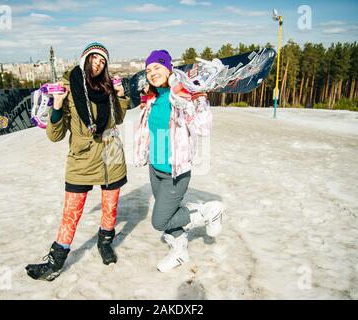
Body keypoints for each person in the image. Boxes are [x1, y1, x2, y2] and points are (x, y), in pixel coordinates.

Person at [26, 42, 129, 281]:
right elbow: (55, 135)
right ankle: (55, 261)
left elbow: (119, 119)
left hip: (111, 155)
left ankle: (104, 243)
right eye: (95, 58)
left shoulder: (107, 88)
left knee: (110, 207)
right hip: (82, 158)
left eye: (103, 61)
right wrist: (58, 105)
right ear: (85, 59)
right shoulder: (68, 87)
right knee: (71, 213)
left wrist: (121, 96)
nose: (98, 64)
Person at [134, 50, 224, 272]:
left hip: (176, 171)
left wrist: (195, 99)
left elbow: (203, 128)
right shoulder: (153, 97)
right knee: (170, 215)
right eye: (148, 70)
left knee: (160, 222)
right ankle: (179, 252)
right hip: (155, 168)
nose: (152, 73)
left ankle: (207, 211)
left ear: (168, 67)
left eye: (157, 67)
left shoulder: (185, 93)